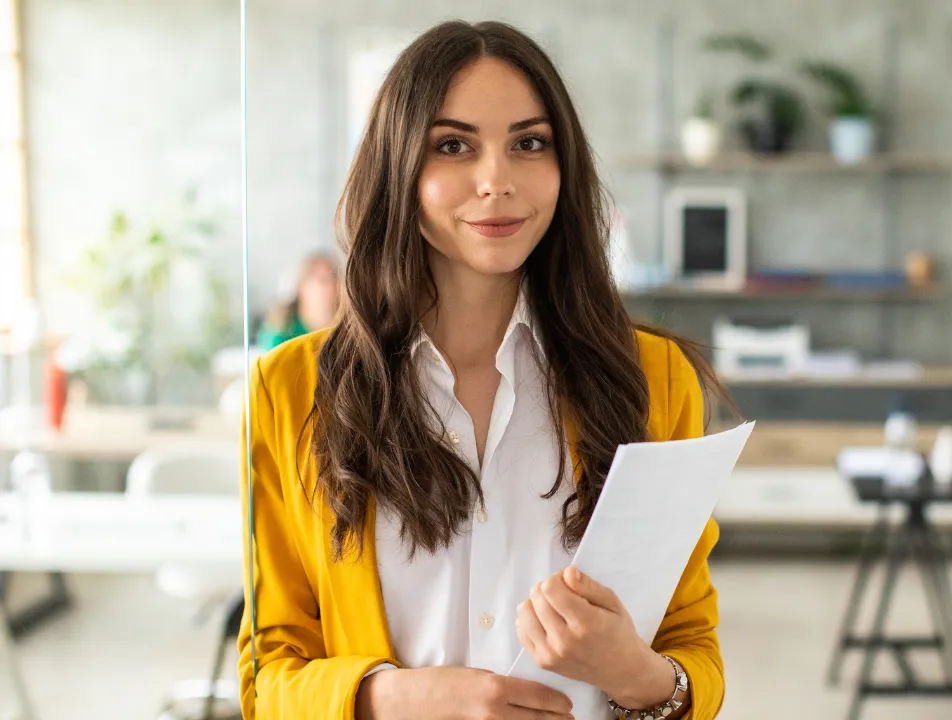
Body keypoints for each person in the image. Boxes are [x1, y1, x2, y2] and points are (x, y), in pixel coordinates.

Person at [237, 20, 728, 720]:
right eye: (452, 146)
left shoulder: (655, 378)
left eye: (529, 143)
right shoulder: (289, 391)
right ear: (397, 167)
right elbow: (264, 678)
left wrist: (641, 676)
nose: (496, 182)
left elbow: (693, 653)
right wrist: (387, 697)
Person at [255, 252, 340, 351]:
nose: (335, 285)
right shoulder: (281, 334)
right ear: (302, 287)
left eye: (335, 276)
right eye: (323, 280)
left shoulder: (347, 331)